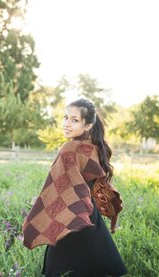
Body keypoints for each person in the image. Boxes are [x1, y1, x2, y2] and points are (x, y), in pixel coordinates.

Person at [22, 98, 127, 277]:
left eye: (74, 120)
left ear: (88, 125)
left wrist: (43, 201)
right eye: (66, 117)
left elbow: (59, 187)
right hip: (88, 214)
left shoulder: (69, 149)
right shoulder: (91, 147)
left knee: (60, 269)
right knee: (95, 266)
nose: (67, 124)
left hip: (70, 214)